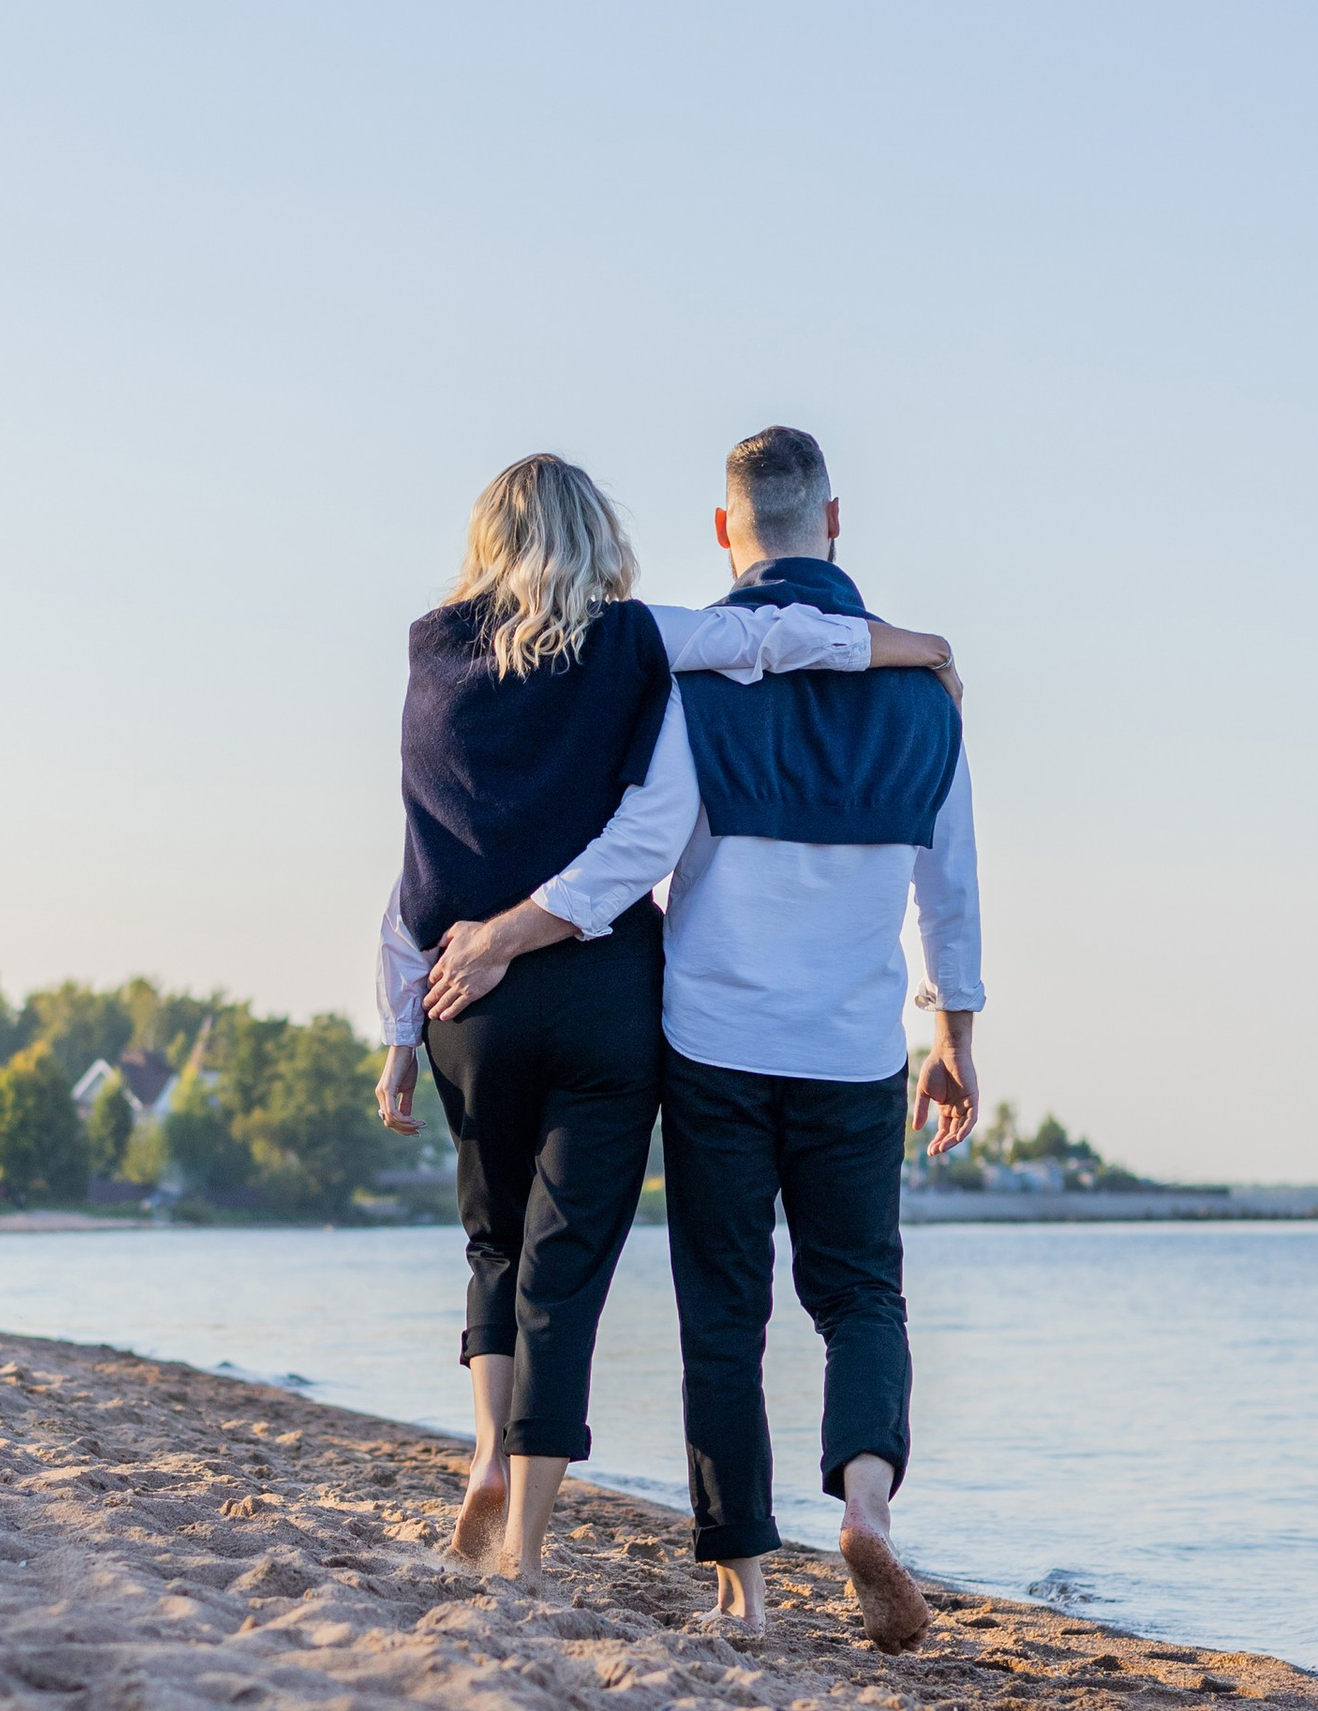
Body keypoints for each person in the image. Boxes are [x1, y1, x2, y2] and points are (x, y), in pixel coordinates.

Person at [376, 453, 959, 1586]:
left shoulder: (429, 653)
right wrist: (905, 645)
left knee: (504, 1244)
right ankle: (537, 1544)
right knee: (581, 1269)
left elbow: (415, 864)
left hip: (474, 1000)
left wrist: (404, 1023)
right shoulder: (637, 638)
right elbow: (770, 640)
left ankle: (504, 1461)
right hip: (612, 995)